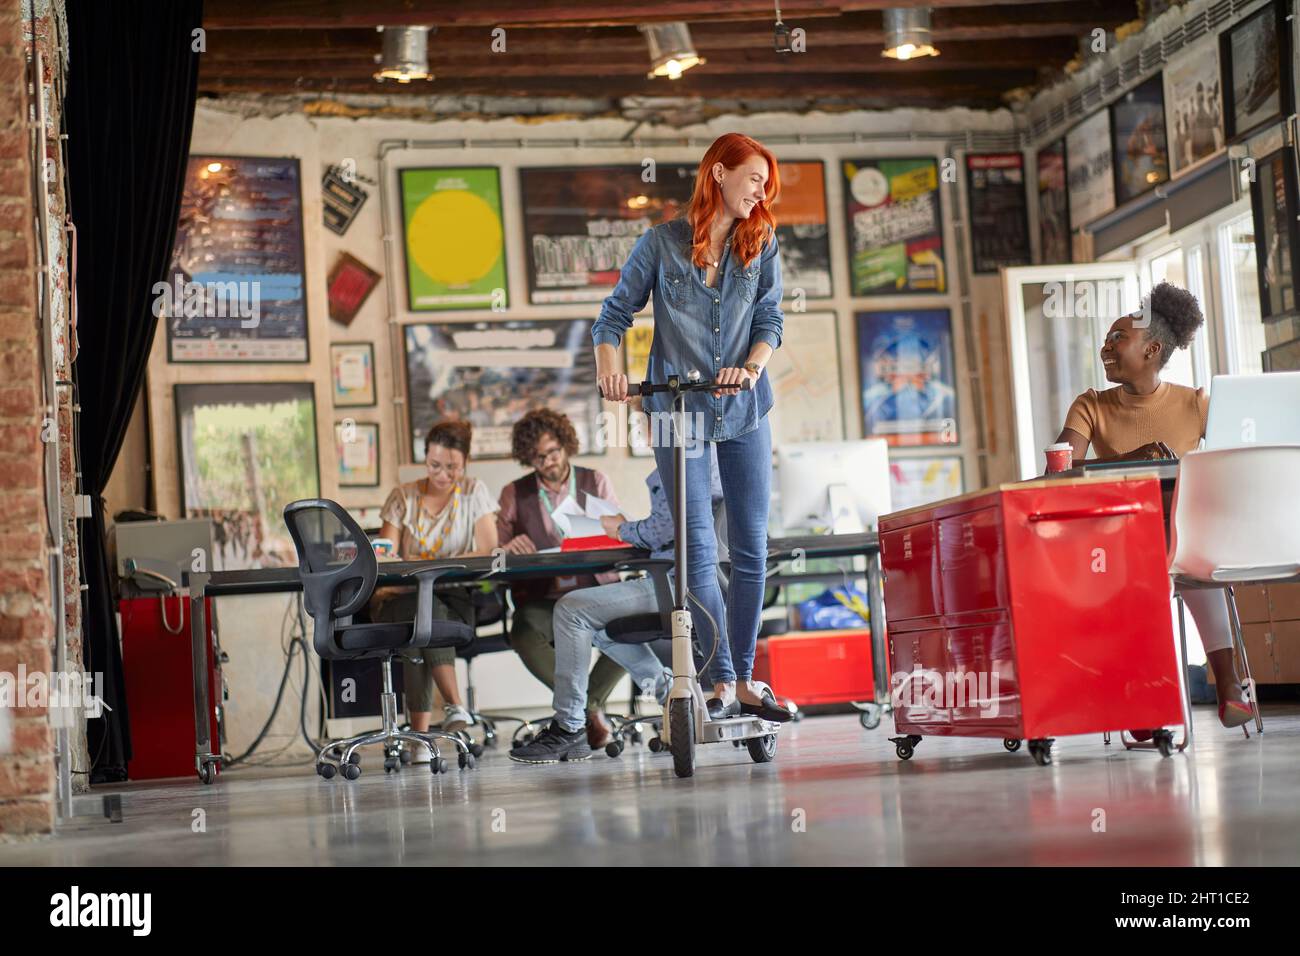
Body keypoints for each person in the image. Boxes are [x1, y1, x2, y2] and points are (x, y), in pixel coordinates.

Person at [592, 131, 792, 723]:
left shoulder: (763, 244)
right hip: (678, 414)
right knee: (698, 551)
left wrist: (751, 368)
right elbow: (613, 316)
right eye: (753, 179)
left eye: (765, 184)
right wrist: (612, 373)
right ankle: (718, 679)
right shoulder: (660, 243)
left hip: (744, 411)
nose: (760, 193)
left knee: (751, 549)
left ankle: (748, 677)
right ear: (719, 174)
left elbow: (770, 318)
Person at [1052, 281, 1252, 729]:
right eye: (1106, 338)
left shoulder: (1197, 404)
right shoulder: (1091, 405)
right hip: (1118, 538)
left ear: (1152, 349)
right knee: (1167, 559)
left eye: (1118, 337)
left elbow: (1229, 468)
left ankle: (1222, 687)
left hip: (1185, 533)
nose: (1106, 346)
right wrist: (1130, 457)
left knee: (1198, 557)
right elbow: (1062, 471)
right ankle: (1178, 688)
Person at [509, 441, 726, 763]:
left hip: (679, 581)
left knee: (571, 611)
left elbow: (661, 531)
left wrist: (620, 528)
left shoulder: (681, 460)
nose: (642, 430)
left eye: (644, 421)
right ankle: (671, 699)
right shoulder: (710, 459)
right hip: (695, 579)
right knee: (599, 626)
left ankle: (569, 727)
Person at [496, 407, 627, 748]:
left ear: (566, 445)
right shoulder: (514, 493)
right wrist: (508, 547)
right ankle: (589, 707)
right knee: (524, 632)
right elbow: (492, 555)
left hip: (596, 591)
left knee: (634, 627)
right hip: (544, 598)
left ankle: (584, 706)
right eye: (538, 458)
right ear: (528, 458)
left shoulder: (594, 481)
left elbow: (620, 533)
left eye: (553, 452)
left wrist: (605, 533)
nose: (548, 462)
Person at [373, 420, 499, 750]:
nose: (442, 475)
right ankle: (455, 705)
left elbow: (487, 552)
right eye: (434, 465)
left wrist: (425, 569)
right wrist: (443, 564)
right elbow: (386, 559)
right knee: (421, 611)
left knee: (424, 620)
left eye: (452, 467)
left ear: (465, 463)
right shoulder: (403, 497)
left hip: (457, 600)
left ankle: (418, 740)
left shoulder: (474, 493)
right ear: (425, 458)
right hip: (401, 598)